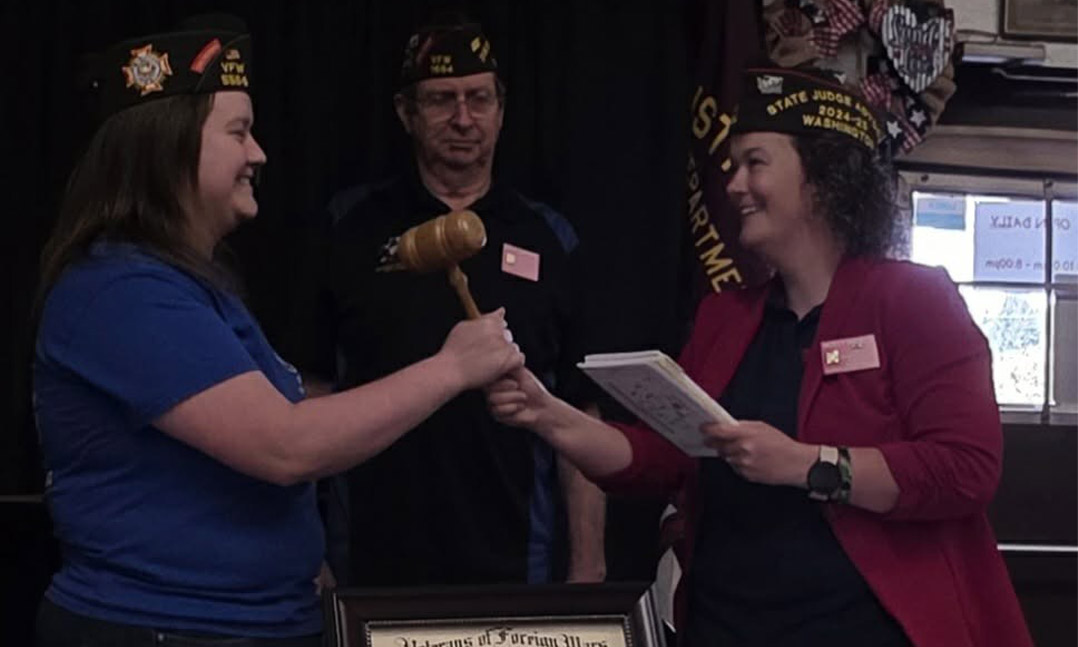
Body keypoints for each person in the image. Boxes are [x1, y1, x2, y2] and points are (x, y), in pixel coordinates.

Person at [487, 63, 1033, 647]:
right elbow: (667, 457)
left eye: (755, 163)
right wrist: (545, 413)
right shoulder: (726, 316)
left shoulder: (914, 301)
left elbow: (965, 470)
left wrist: (806, 464)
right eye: (733, 165)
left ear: (822, 178)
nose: (734, 185)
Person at [33, 17, 521, 646]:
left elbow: (286, 413)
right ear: (168, 147)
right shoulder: (120, 291)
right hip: (165, 628)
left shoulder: (196, 287)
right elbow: (284, 445)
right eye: (238, 132)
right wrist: (451, 368)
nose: (259, 153)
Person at [292, 17, 606, 586]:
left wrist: (588, 565)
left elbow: (581, 412)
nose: (463, 119)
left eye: (478, 99)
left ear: (502, 110)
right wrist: (307, 549)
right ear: (405, 112)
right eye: (441, 100)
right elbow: (307, 391)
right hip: (370, 562)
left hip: (516, 564)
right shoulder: (350, 227)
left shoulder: (549, 237)